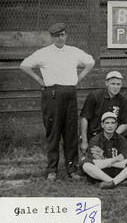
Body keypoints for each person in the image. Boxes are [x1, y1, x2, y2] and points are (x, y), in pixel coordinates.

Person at [20, 23, 95, 181]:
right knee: (53, 132)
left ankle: (72, 169)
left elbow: (90, 62)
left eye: (63, 35)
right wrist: (39, 80)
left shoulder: (73, 51)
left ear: (66, 36)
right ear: (52, 37)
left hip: (70, 94)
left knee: (70, 133)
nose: (60, 38)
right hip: (52, 95)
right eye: (57, 36)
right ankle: (52, 169)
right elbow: (24, 65)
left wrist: (78, 78)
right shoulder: (44, 53)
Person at [80, 71, 127, 159]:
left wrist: (113, 135)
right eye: (113, 84)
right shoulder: (95, 96)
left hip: (113, 131)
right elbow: (84, 118)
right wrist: (84, 141)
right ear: (106, 83)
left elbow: (126, 122)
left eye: (118, 84)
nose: (116, 87)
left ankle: (126, 160)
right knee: (93, 160)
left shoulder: (122, 99)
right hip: (95, 134)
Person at [82, 112, 127, 189]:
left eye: (112, 123)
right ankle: (116, 182)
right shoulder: (95, 140)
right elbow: (96, 162)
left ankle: (111, 183)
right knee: (86, 165)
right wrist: (115, 159)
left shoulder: (121, 139)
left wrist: (106, 161)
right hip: (102, 172)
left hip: (118, 171)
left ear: (116, 125)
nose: (110, 126)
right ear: (102, 125)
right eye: (107, 123)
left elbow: (125, 161)